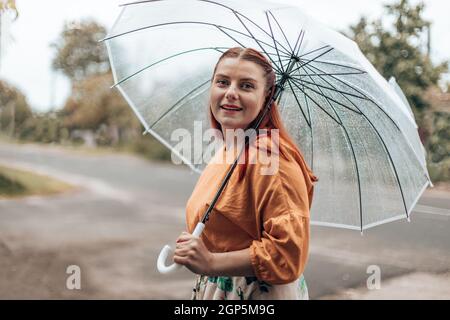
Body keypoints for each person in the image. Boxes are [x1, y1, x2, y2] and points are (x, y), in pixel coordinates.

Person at [173, 47, 318, 300]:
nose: (230, 93)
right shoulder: (230, 148)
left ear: (267, 95)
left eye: (246, 86)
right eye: (223, 82)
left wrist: (210, 261)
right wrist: (199, 246)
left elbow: (288, 256)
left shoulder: (273, 162)